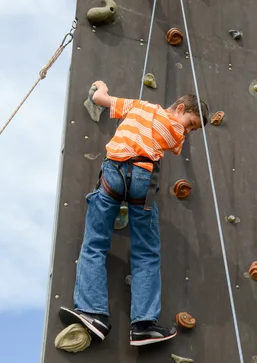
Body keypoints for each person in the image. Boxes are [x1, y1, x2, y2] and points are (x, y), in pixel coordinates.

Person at [59, 80, 209, 347]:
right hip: (142, 179)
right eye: (191, 123)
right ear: (180, 109)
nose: (189, 130)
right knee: (146, 253)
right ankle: (143, 325)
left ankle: (93, 313)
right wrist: (178, 130)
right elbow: (174, 143)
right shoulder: (175, 130)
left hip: (113, 173)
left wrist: (100, 86)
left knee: (94, 243)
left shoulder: (139, 106)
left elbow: (102, 100)